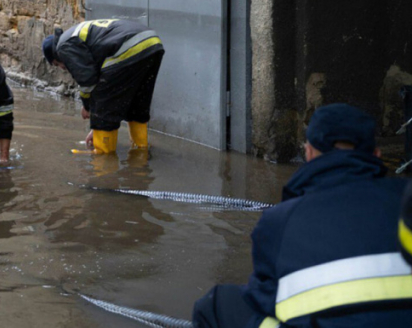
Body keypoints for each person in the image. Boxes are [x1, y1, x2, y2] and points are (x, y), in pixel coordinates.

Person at [193, 104, 412, 328]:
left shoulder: (278, 221)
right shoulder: (407, 200)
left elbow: (263, 298)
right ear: (376, 154)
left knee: (216, 304)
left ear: (308, 153)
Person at [42, 19, 164, 154]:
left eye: (57, 64)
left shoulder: (63, 47)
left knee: (103, 106)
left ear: (55, 55)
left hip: (128, 47)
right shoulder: (74, 36)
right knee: (137, 104)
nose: (62, 68)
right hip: (152, 43)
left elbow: (88, 81)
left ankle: (103, 157)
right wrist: (96, 128)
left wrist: (88, 107)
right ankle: (141, 149)